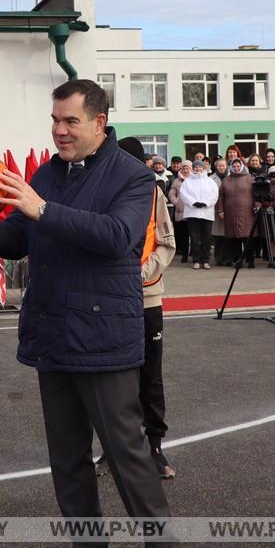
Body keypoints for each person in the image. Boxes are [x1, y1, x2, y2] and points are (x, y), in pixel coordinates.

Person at [0, 79, 181, 548]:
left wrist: (40, 208)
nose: (59, 130)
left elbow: (118, 238)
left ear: (99, 123)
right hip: (53, 329)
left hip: (104, 333)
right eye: (55, 120)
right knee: (66, 456)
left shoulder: (132, 177)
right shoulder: (48, 173)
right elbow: (19, 238)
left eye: (70, 121)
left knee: (126, 452)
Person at [98, 137, 178, 478]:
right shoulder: (101, 194)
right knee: (113, 378)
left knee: (151, 376)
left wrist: (139, 275)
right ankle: (112, 448)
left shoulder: (153, 194)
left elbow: (167, 243)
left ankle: (155, 446)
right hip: (110, 302)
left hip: (146, 299)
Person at [217, 158, 256, 268]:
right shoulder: (226, 180)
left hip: (247, 213)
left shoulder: (250, 179)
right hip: (231, 213)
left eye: (238, 166)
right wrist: (220, 210)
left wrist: (256, 206)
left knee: (247, 237)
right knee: (234, 238)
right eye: (234, 166)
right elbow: (221, 196)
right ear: (231, 168)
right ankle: (237, 260)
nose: (236, 168)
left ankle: (250, 260)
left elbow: (256, 195)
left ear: (242, 166)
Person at [179, 159, 218, 270]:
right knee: (195, 238)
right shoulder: (187, 181)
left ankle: (205, 260)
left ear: (203, 168)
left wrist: (206, 203)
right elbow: (183, 194)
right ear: (193, 168)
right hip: (192, 213)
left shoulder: (210, 181)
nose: (198, 169)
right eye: (195, 167)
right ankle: (196, 260)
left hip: (206, 213)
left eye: (200, 167)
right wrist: (193, 202)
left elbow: (214, 195)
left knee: (207, 238)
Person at [168, 161, 191, 264]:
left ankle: (195, 255)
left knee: (194, 235)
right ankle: (184, 255)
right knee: (183, 236)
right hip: (180, 212)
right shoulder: (177, 181)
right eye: (184, 168)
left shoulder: (194, 180)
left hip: (192, 212)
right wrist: (176, 202)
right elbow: (171, 194)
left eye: (187, 168)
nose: (186, 170)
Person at [210, 158, 230, 266]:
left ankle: (228, 258)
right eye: (219, 166)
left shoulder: (231, 177)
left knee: (228, 236)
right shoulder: (211, 179)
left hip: (230, 210)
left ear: (226, 166)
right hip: (216, 210)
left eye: (223, 165)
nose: (221, 168)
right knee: (218, 237)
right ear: (216, 167)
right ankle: (218, 258)